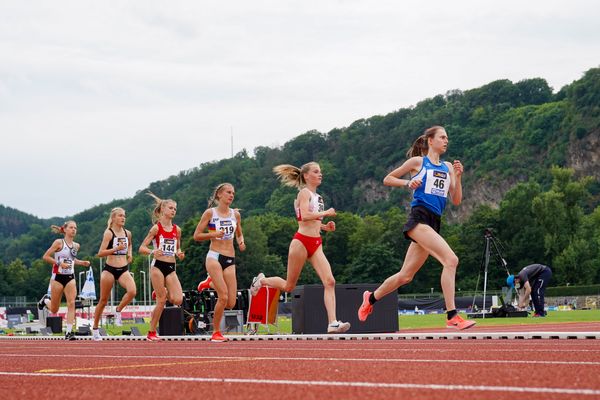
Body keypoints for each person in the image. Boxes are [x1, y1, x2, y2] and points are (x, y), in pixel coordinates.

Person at [357, 126, 476, 330]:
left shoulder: (448, 167)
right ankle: (452, 316)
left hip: (434, 222)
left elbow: (456, 200)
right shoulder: (418, 162)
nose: (446, 141)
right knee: (451, 260)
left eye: (447, 138)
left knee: (405, 276)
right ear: (430, 140)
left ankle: (370, 299)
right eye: (442, 137)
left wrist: (459, 176)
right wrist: (408, 183)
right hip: (419, 219)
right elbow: (388, 179)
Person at [250, 162, 351, 334]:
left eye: (321, 172)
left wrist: (326, 227)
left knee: (330, 281)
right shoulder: (304, 193)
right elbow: (304, 216)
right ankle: (261, 281)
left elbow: (314, 222)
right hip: (301, 242)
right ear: (306, 176)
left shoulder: (319, 198)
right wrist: (326, 213)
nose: (320, 174)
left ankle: (332, 322)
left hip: (316, 243)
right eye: (316, 171)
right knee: (289, 286)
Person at [193, 183, 246, 342]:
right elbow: (196, 235)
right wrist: (214, 234)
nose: (231, 195)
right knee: (222, 297)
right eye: (228, 192)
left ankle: (209, 283)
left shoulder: (235, 215)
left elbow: (239, 234)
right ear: (219, 195)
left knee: (231, 302)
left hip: (230, 259)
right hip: (214, 256)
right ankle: (216, 332)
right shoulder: (210, 213)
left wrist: (241, 242)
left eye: (233, 193)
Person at [139, 192, 185, 341]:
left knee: (177, 300)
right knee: (161, 300)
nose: (173, 211)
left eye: (175, 209)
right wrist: (153, 251)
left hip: (171, 267)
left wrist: (179, 253)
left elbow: (177, 247)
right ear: (163, 209)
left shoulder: (177, 230)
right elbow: (142, 248)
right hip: (158, 266)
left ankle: (161, 291)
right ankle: (151, 332)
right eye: (171, 208)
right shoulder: (156, 229)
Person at [38, 221, 91, 340]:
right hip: (57, 277)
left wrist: (82, 262)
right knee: (55, 309)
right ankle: (46, 300)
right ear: (65, 229)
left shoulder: (76, 245)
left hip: (70, 277)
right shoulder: (58, 243)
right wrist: (59, 263)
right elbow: (45, 257)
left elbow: (72, 259)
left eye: (75, 228)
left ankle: (68, 332)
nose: (74, 230)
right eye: (71, 227)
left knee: (71, 303)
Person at [91, 207, 136, 341]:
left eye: (124, 216)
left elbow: (130, 245)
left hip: (123, 269)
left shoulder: (127, 233)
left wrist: (130, 254)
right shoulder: (109, 233)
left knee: (132, 291)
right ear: (114, 218)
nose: (123, 218)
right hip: (109, 268)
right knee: (103, 300)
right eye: (120, 216)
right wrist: (115, 248)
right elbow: (100, 253)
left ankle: (117, 310)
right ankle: (95, 329)